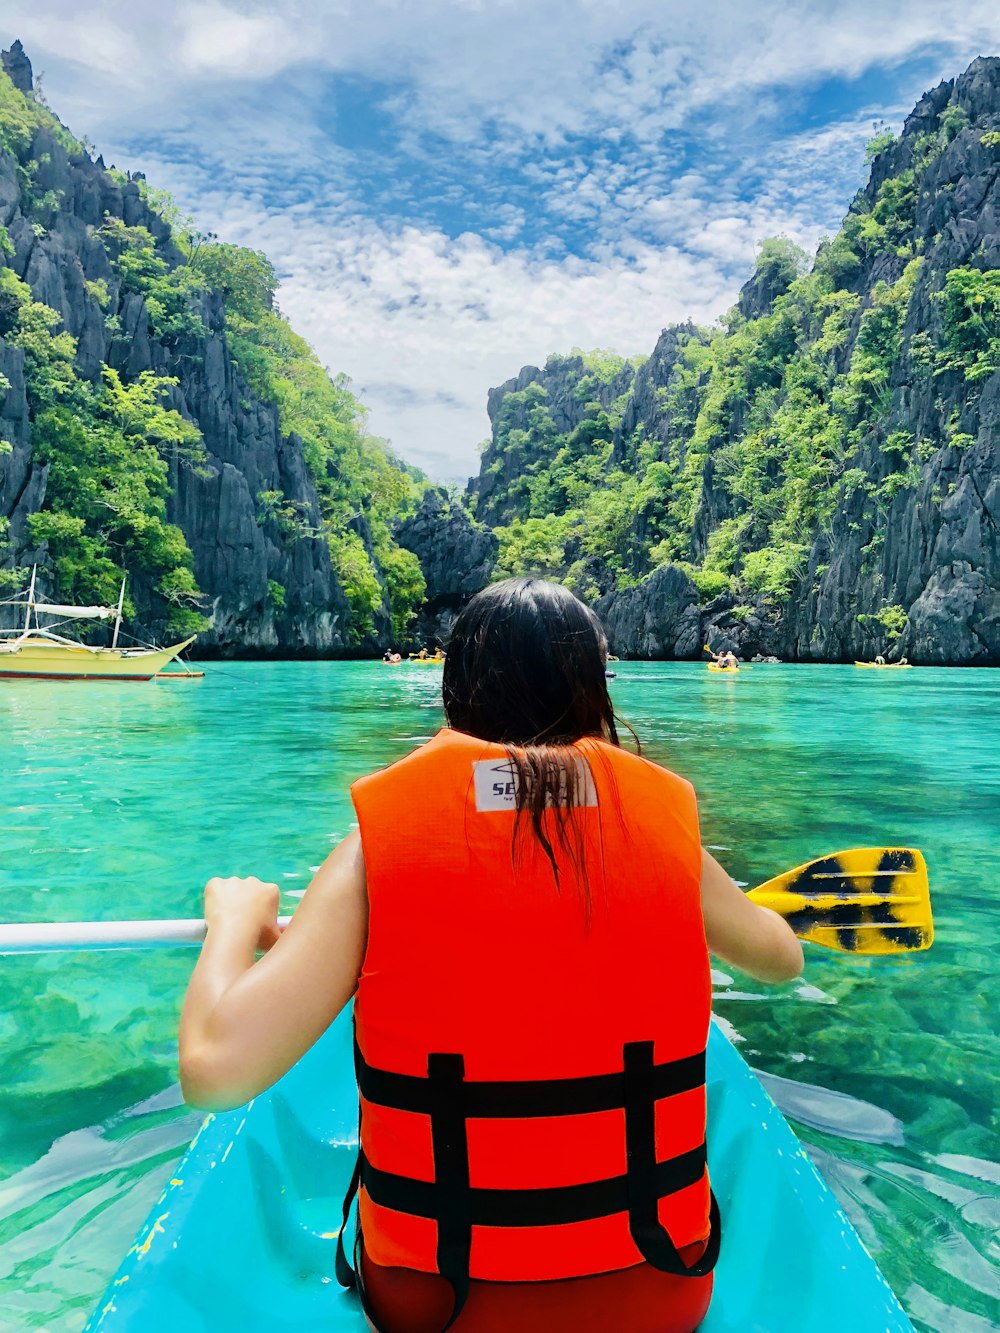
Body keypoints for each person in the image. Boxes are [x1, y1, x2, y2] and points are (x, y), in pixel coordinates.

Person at [179, 577, 803, 1333]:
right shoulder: (668, 835)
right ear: (592, 694)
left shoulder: (379, 851)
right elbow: (781, 960)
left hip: (435, 1306)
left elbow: (213, 1068)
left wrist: (234, 923)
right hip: (656, 1292)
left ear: (455, 693)